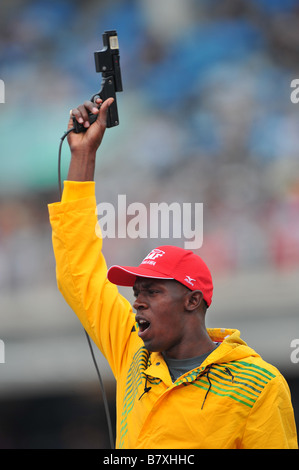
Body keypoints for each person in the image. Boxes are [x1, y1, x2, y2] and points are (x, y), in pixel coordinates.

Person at [48, 98, 298, 449]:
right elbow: (79, 273)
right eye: (137, 294)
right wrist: (83, 157)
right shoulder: (132, 350)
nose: (138, 304)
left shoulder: (258, 384)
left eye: (153, 292)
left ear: (192, 300)